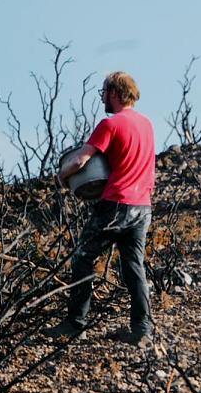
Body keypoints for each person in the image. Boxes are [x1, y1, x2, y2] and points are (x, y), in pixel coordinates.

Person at [44, 71, 156, 345]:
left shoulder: (111, 124)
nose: (103, 98)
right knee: (134, 267)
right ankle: (142, 329)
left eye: (104, 92)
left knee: (83, 257)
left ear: (115, 93)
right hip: (143, 207)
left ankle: (75, 324)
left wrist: (60, 177)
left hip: (116, 204)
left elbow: (81, 160)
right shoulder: (147, 124)